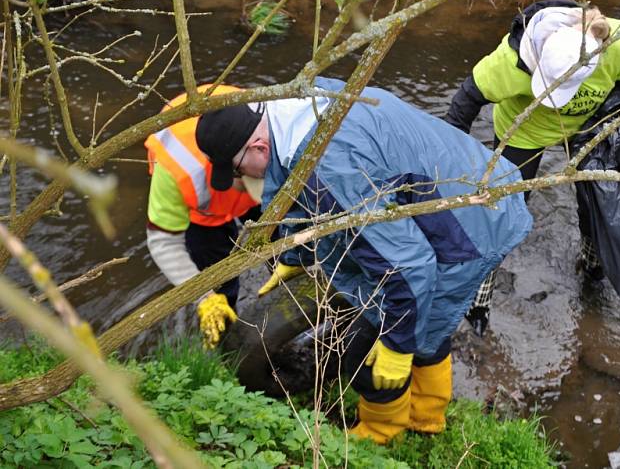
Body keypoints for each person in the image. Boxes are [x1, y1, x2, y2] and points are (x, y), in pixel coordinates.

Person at [195, 77, 533, 444]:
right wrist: (297, 255)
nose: (243, 179)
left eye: (240, 169)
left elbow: (409, 265)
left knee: (373, 358)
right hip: (471, 177)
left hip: (467, 226)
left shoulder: (332, 171)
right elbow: (290, 183)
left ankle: (384, 432)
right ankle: (426, 417)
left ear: (258, 146)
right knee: (425, 323)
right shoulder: (302, 103)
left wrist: (397, 348)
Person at [445, 0, 620, 305]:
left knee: (598, 201)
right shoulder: (509, 63)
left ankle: (594, 267)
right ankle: (478, 300)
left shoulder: (618, 42)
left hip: (587, 128)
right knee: (501, 213)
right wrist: (449, 160)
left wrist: (603, 118)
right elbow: (463, 106)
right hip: (523, 133)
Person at [144, 85, 262, 350]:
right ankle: (227, 348)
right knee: (220, 282)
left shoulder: (276, 133)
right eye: (245, 184)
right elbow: (163, 242)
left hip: (252, 163)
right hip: (204, 215)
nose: (250, 195)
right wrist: (203, 296)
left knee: (288, 248)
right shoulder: (176, 170)